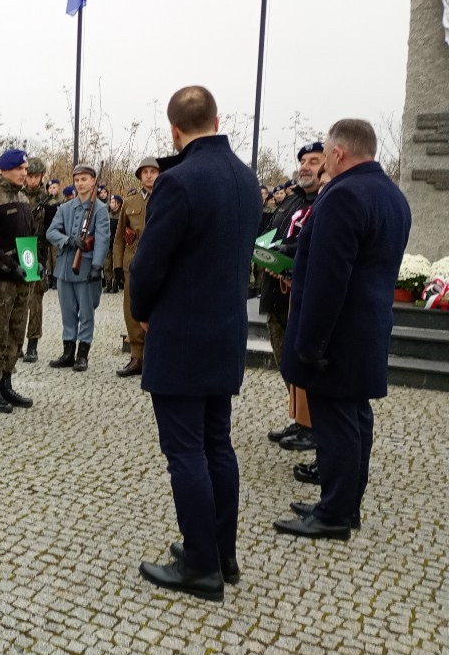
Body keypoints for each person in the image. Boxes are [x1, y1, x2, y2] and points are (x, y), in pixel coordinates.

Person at [130, 85, 260, 602]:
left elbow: (149, 265)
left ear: (174, 130)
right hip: (226, 332)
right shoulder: (246, 179)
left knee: (185, 452)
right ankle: (220, 552)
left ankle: (201, 566)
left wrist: (141, 312)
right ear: (218, 119)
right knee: (216, 445)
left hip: (183, 337)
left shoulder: (178, 182)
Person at [274, 119, 411, 541]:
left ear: (337, 153)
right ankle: (344, 505)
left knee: (336, 425)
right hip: (367, 327)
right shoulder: (392, 195)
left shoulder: (344, 195)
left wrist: (311, 343)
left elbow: (327, 278)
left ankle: (333, 514)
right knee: (356, 418)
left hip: (336, 335)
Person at [262, 143, 324, 451]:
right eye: (302, 161)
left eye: (314, 161)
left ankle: (313, 426)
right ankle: (300, 419)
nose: (305, 166)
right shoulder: (291, 201)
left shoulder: (325, 202)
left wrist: (289, 269)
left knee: (301, 364)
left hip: (299, 295)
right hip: (275, 294)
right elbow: (274, 238)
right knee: (285, 362)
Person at [0, 148, 37, 413]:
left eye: (25, 169)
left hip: (23, 279)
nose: (24, 173)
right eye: (19, 169)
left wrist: (37, 263)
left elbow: (29, 236)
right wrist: (10, 267)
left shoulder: (23, 198)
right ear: (4, 170)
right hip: (1, 280)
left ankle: (6, 382)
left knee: (16, 332)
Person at [45, 164, 111, 371]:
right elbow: (50, 232)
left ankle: (83, 354)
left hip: (86, 267)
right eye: (77, 180)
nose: (80, 183)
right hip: (66, 267)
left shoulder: (100, 209)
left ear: (93, 181)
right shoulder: (65, 208)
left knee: (86, 312)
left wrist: (97, 265)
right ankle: (67, 352)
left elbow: (102, 238)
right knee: (67, 311)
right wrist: (68, 240)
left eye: (84, 179)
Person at [112, 157, 160, 377]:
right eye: (145, 172)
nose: (149, 175)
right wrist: (117, 266)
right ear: (139, 176)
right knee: (132, 310)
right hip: (133, 264)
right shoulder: (130, 202)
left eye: (153, 171)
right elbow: (120, 237)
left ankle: (157, 357)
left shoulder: (167, 198)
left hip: (160, 264)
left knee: (158, 309)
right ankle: (136, 357)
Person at [21, 158, 55, 363]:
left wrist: (44, 261)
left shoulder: (49, 200)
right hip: (18, 252)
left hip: (38, 253)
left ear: (42, 177)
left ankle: (32, 343)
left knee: (35, 302)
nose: (32, 180)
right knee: (18, 302)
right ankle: (15, 345)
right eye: (29, 176)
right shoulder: (18, 196)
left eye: (36, 176)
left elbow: (50, 233)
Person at [104, 195, 122, 293]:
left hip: (116, 244)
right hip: (107, 243)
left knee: (116, 264)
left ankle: (116, 283)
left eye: (113, 202)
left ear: (118, 204)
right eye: (110, 202)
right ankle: (108, 283)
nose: (111, 204)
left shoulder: (121, 215)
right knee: (107, 264)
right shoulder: (107, 215)